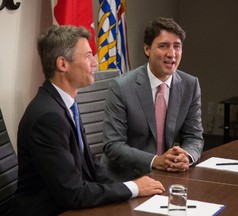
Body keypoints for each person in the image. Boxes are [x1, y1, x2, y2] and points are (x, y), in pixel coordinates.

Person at [13, 25, 164, 216]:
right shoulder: (48, 117)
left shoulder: (65, 104)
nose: (95, 62)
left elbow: (92, 167)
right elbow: (73, 194)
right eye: (88, 56)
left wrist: (130, 190)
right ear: (63, 64)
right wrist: (133, 188)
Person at [100, 17, 204, 182]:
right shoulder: (121, 87)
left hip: (167, 175)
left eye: (177, 46)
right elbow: (113, 145)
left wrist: (186, 156)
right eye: (163, 46)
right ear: (147, 49)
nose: (172, 54)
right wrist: (155, 161)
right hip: (127, 178)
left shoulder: (190, 85)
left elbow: (194, 137)